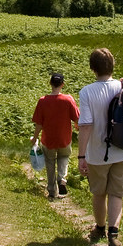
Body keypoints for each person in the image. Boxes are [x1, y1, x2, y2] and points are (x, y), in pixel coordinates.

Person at [77, 48, 123, 246]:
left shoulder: (87, 92)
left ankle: (100, 228)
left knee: (99, 193)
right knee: (116, 194)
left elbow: (86, 125)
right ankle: (113, 234)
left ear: (92, 68)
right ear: (113, 65)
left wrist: (81, 155)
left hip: (97, 153)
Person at [30, 72, 80, 200]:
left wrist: (35, 138)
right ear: (62, 84)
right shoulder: (68, 99)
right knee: (64, 157)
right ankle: (62, 179)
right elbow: (77, 119)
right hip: (64, 138)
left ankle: (52, 190)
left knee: (50, 162)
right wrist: (77, 126)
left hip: (48, 139)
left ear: (50, 83)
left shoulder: (43, 101)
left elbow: (39, 123)